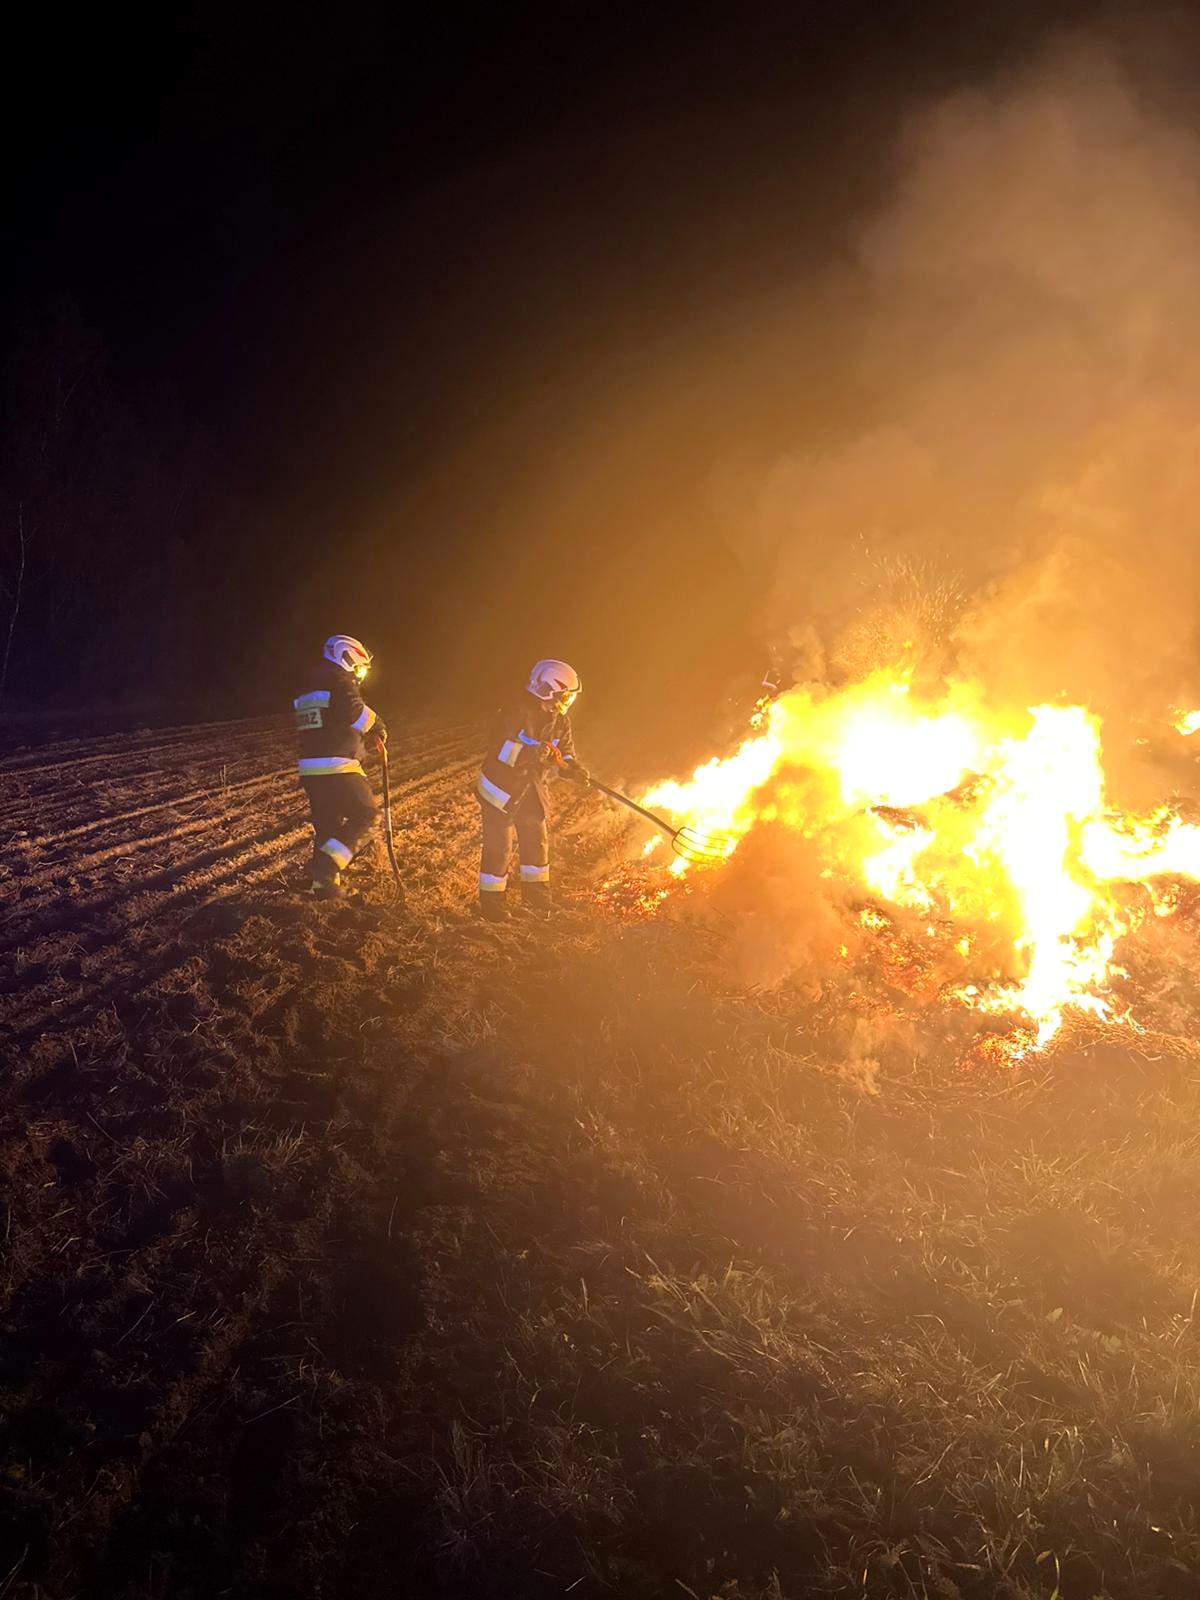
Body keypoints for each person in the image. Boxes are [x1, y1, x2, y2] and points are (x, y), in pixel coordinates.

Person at [476, 658, 589, 920]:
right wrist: (533, 753)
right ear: (547, 689)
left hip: (531, 788)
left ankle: (537, 898)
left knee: (536, 842)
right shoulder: (514, 711)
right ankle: (492, 905)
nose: (567, 702)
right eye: (565, 696)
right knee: (499, 848)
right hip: (500, 790)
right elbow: (502, 750)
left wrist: (573, 769)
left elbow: (564, 753)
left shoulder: (560, 720)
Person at [292, 634, 387, 900]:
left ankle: (324, 888)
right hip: (337, 765)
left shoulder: (308, 685)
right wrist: (378, 725)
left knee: (327, 827)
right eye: (360, 666)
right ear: (348, 656)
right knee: (367, 816)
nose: (359, 673)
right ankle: (327, 866)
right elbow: (354, 711)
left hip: (311, 769)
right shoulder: (338, 680)